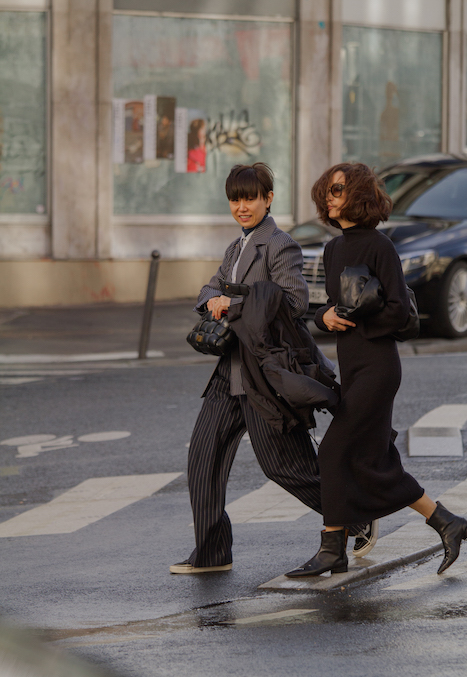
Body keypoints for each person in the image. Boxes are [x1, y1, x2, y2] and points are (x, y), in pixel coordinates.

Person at [170, 162, 368, 575]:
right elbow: (208, 288)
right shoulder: (236, 247)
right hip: (228, 372)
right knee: (203, 458)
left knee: (285, 468)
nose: (241, 207)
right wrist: (213, 300)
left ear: (268, 199)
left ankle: (355, 515)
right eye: (235, 199)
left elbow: (294, 301)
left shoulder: (279, 245)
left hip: (264, 375)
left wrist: (233, 302)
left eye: (250, 198)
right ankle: (213, 552)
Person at [285, 162, 467, 578]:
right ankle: (447, 522)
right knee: (372, 460)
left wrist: (357, 321)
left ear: (360, 195)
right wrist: (324, 318)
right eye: (327, 190)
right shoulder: (333, 249)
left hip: (379, 368)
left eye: (338, 190)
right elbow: (331, 307)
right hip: (352, 366)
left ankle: (332, 547)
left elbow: (400, 311)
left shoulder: (380, 246)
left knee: (333, 451)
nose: (329, 197)